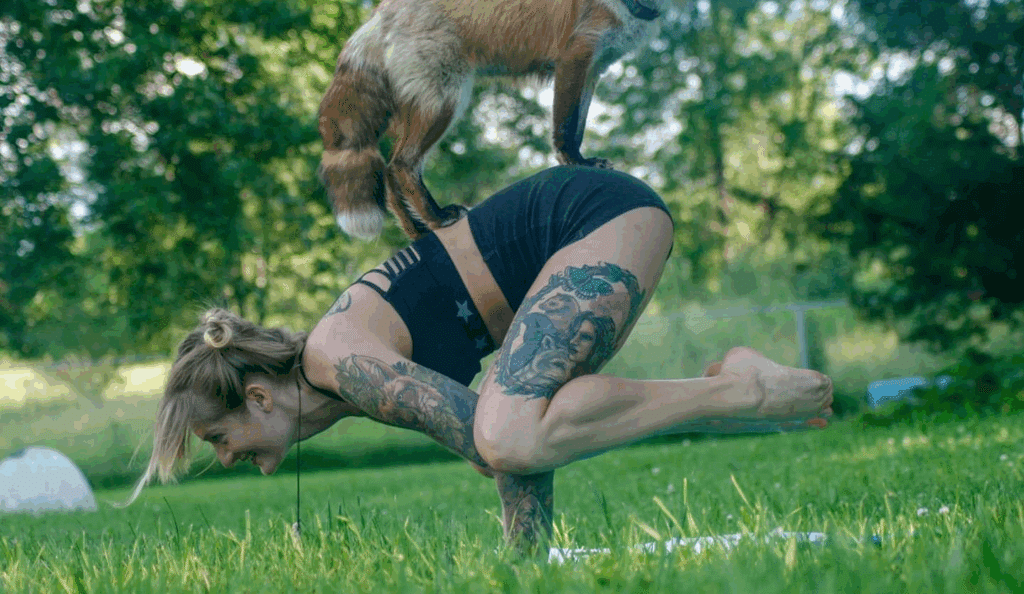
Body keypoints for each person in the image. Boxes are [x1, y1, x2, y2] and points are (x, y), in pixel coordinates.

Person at [130, 166, 833, 550]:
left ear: (257, 396)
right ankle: (735, 385)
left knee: (506, 429)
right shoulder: (338, 372)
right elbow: (503, 444)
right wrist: (526, 561)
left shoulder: (335, 359)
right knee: (511, 425)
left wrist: (520, 549)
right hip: (591, 227)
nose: (223, 457)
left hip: (595, 218)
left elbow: (497, 444)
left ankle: (741, 389)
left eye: (218, 438)